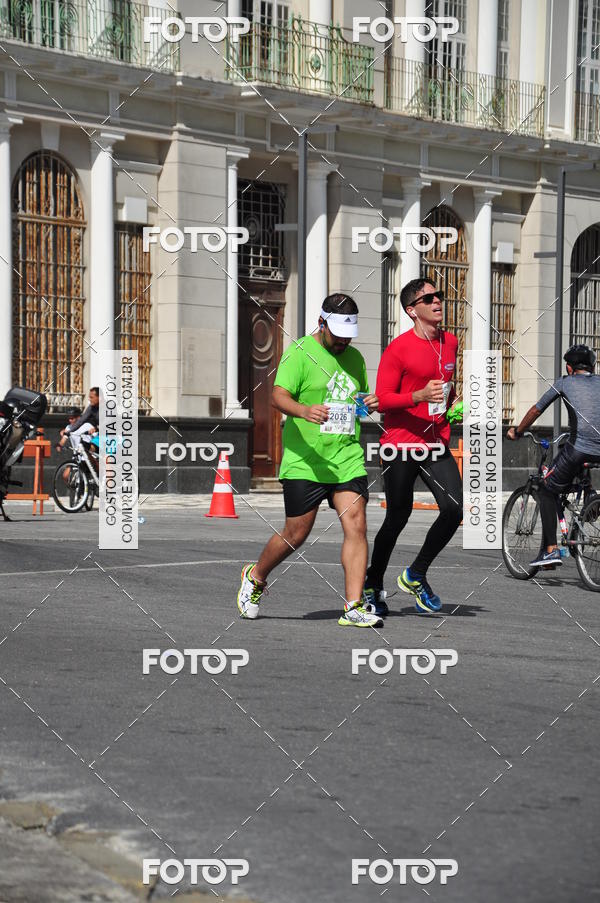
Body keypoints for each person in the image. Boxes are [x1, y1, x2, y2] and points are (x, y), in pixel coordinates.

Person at [236, 293, 383, 628]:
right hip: (305, 460)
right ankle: (255, 576)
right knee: (296, 532)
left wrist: (368, 402)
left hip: (345, 456)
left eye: (349, 336)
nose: (344, 341)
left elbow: (354, 400)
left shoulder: (356, 358)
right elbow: (277, 395)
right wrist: (304, 411)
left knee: (357, 522)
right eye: (338, 335)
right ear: (321, 323)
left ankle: (354, 605)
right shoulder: (300, 353)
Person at [363, 279, 463, 617]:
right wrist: (417, 397)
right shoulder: (398, 349)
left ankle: (416, 574)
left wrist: (449, 409)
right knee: (398, 516)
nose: (438, 301)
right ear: (412, 310)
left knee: (455, 509)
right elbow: (382, 399)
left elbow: (448, 386)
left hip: (435, 442)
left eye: (439, 296)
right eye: (429, 298)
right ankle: (372, 584)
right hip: (400, 444)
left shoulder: (451, 342)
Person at [507, 344, 600, 568]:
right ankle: (591, 499)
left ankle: (549, 550)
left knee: (546, 489)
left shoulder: (564, 382)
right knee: (573, 474)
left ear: (569, 367)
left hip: (579, 447)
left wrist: (517, 431)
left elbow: (536, 410)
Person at [56, 388, 99, 452]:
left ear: (99, 397)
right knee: (89, 447)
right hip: (100, 434)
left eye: (91, 397)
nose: (89, 399)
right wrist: (67, 433)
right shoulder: (91, 407)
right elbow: (81, 420)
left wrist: (95, 429)